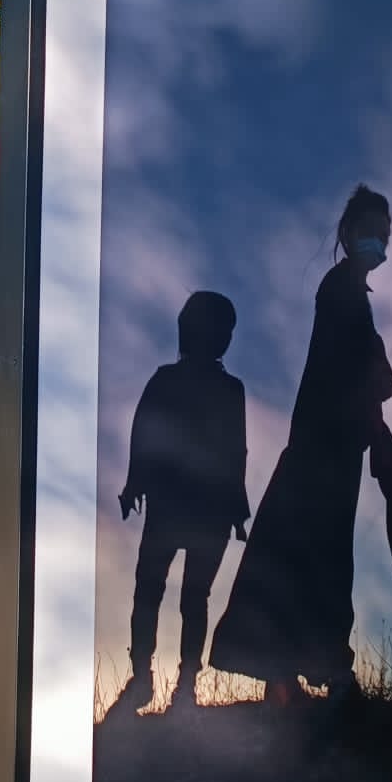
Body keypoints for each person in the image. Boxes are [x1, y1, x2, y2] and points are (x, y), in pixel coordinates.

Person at [210, 186, 392, 705]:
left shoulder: (349, 293)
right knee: (316, 553)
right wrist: (372, 421)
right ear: (348, 234)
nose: (379, 240)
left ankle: (293, 669)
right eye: (371, 229)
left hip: (334, 442)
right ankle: (316, 671)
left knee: (312, 551)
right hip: (324, 441)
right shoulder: (339, 289)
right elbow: (347, 370)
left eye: (384, 232)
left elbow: (361, 371)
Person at [116, 291, 248, 712]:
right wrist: (134, 483)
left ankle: (166, 681)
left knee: (162, 592)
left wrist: (236, 507)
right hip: (189, 505)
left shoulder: (176, 382)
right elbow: (147, 435)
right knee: (178, 594)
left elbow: (233, 450)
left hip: (185, 505)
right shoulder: (217, 387)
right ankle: (164, 681)